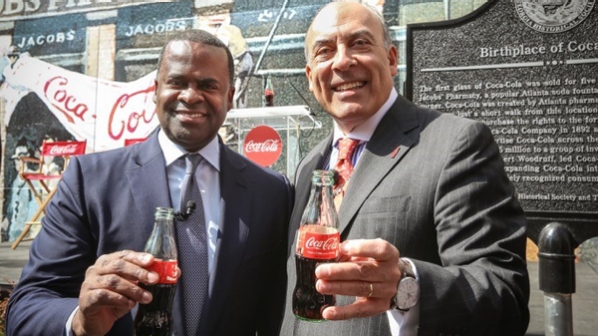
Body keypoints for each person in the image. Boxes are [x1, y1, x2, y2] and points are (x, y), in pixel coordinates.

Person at [6, 29, 292, 336]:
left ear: (230, 96)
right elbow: (26, 309)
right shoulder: (88, 180)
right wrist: (79, 320)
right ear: (155, 90)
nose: (190, 95)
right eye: (177, 82)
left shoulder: (272, 192)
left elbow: (276, 313)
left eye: (208, 85)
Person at [280, 3, 529, 336]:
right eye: (325, 52)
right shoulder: (308, 166)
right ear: (311, 78)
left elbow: (504, 295)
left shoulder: (455, 142)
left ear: (392, 59)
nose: (342, 61)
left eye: (360, 43)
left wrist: (406, 285)